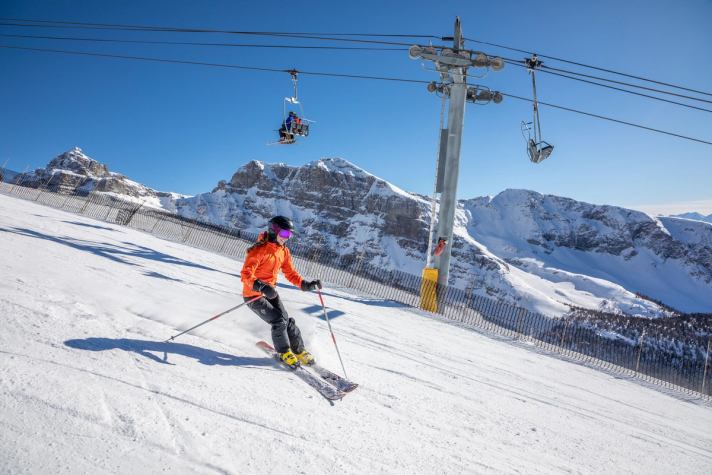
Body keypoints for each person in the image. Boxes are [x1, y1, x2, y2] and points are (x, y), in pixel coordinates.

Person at [241, 215, 322, 366]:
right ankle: (284, 352)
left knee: (287, 320)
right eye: (285, 234)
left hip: (270, 292)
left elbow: (290, 273)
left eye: (290, 235)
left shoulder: (283, 251)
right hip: (253, 295)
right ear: (274, 231)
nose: (287, 238)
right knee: (278, 321)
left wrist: (306, 284)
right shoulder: (259, 250)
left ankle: (299, 351)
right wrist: (261, 286)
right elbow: (246, 274)